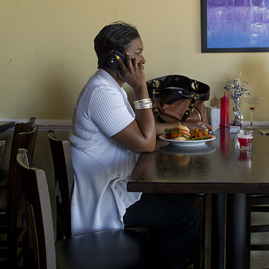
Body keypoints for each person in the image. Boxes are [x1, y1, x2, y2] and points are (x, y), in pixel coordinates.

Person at [68, 21, 201, 268]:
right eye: (137, 53)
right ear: (115, 57)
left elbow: (140, 131)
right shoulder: (102, 93)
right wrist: (141, 89)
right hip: (103, 197)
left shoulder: (109, 88)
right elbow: (145, 143)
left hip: (116, 184)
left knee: (180, 201)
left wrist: (183, 128)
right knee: (188, 216)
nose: (142, 60)